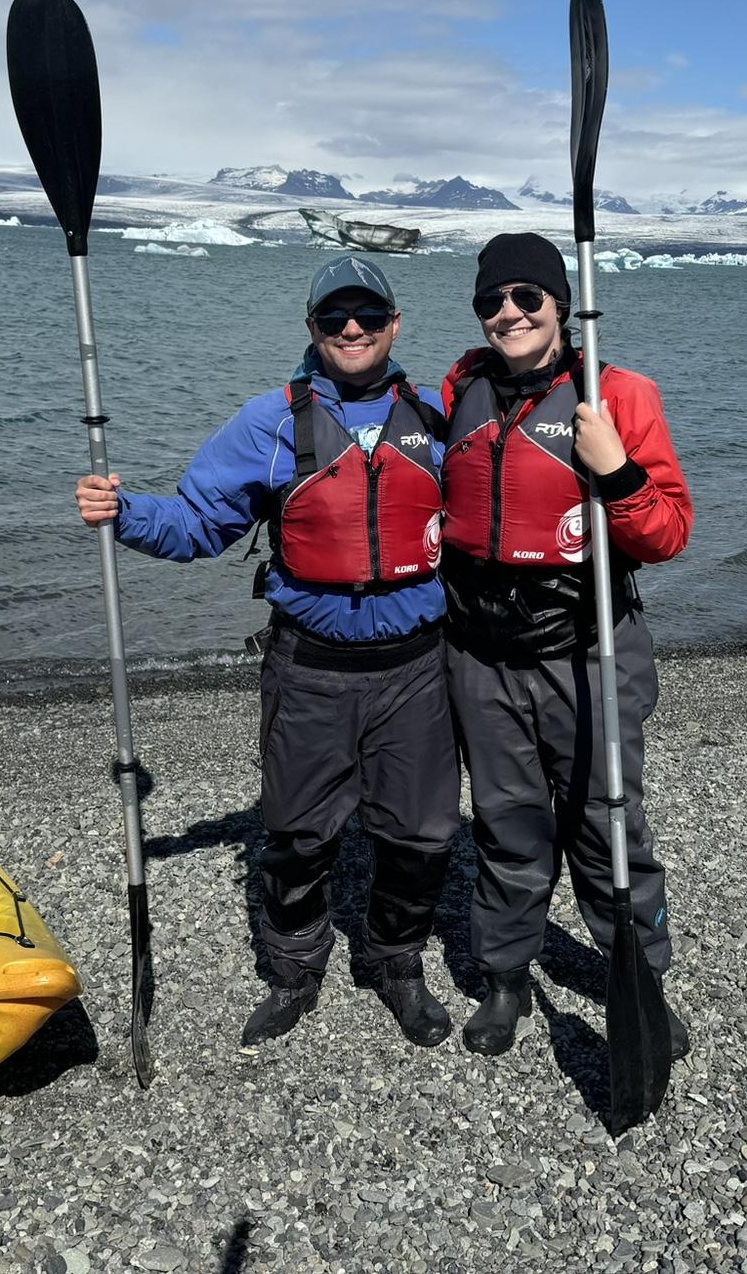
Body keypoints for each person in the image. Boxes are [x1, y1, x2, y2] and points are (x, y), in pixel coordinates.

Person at [75, 255, 459, 1049]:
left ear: (394, 325)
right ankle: (294, 973)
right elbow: (196, 523)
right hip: (310, 667)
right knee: (297, 836)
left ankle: (395, 964)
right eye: (333, 316)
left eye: (368, 315)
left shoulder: (436, 419)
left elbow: (504, 503)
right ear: (312, 328)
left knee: (420, 836)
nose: (351, 328)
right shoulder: (269, 424)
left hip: (417, 668)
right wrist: (124, 512)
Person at [439, 232, 694, 1057]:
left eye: (527, 297)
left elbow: (667, 533)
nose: (508, 313)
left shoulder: (618, 395)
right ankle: (507, 975)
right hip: (482, 651)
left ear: (561, 305)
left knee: (606, 823)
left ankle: (638, 975)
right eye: (492, 301)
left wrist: (615, 470)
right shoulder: (462, 386)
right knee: (506, 822)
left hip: (586, 648)